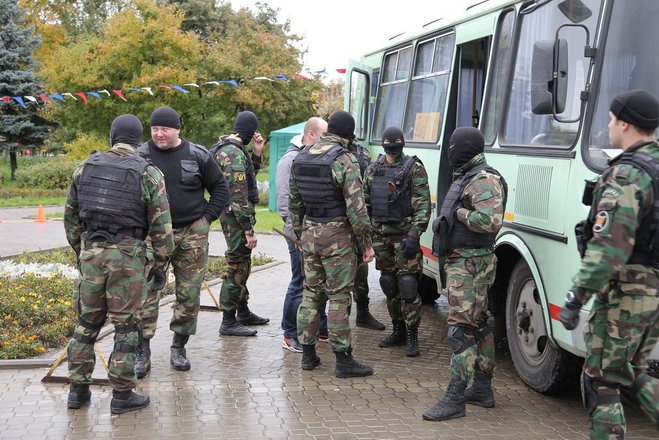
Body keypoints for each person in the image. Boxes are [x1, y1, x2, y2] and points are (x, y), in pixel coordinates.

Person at [558, 89, 659, 439]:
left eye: (612, 119)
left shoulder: (626, 176)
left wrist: (575, 297)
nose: (610, 125)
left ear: (625, 123)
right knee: (632, 373)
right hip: (653, 297)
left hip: (627, 296)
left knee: (601, 380)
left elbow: (609, 250)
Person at [64, 114, 174, 414]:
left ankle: (77, 391)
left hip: (91, 255)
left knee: (86, 324)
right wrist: (159, 266)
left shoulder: (84, 167)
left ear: (112, 137)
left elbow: (71, 219)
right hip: (127, 260)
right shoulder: (148, 173)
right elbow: (162, 228)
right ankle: (122, 396)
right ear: (138, 140)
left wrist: (83, 252)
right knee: (126, 327)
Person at [423, 126, 507, 421]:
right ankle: (482, 389)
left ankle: (455, 397)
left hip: (471, 265)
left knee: (460, 330)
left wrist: (458, 213)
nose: (450, 151)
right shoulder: (467, 177)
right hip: (465, 263)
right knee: (479, 325)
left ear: (466, 148)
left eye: (453, 146)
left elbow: (490, 221)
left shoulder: (484, 179)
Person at [137, 106, 229, 374]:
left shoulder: (197, 155)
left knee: (189, 294)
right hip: (153, 236)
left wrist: (206, 219)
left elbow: (221, 188)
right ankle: (143, 350)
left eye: (164, 129)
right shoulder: (140, 156)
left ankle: (179, 347)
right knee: (146, 292)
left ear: (177, 129)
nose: (159, 134)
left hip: (191, 233)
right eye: (155, 128)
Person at [289, 110, 376, 378]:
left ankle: (308, 355)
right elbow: (357, 211)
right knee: (338, 297)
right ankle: (343, 361)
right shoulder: (344, 160)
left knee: (311, 294)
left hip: (310, 234)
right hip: (337, 237)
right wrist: (366, 244)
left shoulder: (302, 156)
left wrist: (300, 235)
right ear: (348, 135)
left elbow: (295, 203)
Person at [363, 127, 431, 357]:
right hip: (381, 237)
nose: (392, 150)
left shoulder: (414, 168)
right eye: (389, 145)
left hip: (404, 237)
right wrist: (368, 238)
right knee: (389, 284)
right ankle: (398, 330)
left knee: (408, 285)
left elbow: (422, 205)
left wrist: (414, 234)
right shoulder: (373, 169)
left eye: (395, 145)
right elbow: (366, 204)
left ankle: (412, 335)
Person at [212, 111, 270, 337]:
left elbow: (247, 179)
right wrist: (248, 229)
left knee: (243, 264)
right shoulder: (232, 153)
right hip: (235, 218)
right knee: (237, 265)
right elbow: (238, 195)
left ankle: (242, 311)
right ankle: (228, 320)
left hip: (232, 216)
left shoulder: (231, 149)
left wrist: (257, 153)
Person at [276, 118, 329, 352]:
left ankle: (320, 328)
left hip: (313, 234)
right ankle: (289, 334)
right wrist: (297, 235)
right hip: (297, 236)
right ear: (311, 134)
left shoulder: (314, 157)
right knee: (299, 283)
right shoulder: (289, 161)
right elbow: (284, 204)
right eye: (324, 135)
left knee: (318, 283)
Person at [347, 138, 387, 332]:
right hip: (336, 225)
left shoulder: (361, 152)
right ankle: (331, 324)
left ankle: (362, 314)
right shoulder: (325, 152)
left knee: (361, 272)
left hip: (360, 220)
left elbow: (368, 185)